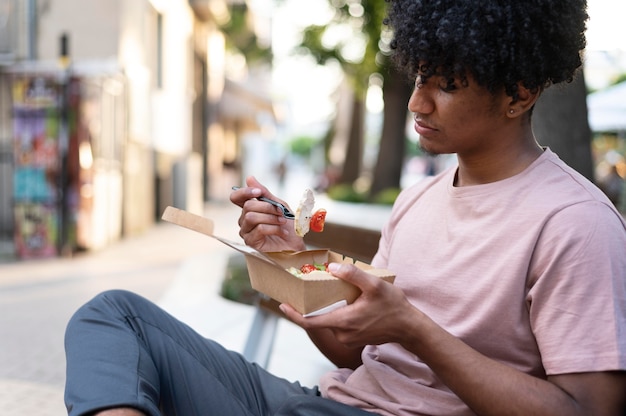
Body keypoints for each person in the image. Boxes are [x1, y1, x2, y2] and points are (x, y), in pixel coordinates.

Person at [64, 1, 626, 415]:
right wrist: (289, 259)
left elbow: (589, 411)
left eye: (446, 84)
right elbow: (354, 354)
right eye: (418, 77)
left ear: (519, 92)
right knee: (114, 315)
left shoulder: (575, 223)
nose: (416, 102)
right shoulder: (418, 200)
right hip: (329, 403)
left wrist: (415, 328)